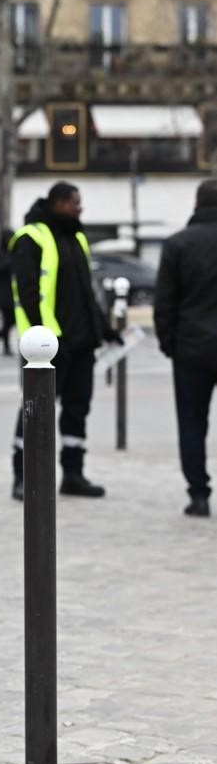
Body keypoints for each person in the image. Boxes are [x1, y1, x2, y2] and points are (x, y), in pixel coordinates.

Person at [10, 182, 121, 501]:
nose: (79, 208)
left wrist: (104, 329)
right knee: (36, 409)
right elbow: (27, 293)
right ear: (58, 202)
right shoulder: (31, 237)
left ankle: (73, 474)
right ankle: (23, 475)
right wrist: (42, 335)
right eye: (75, 202)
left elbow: (86, 291)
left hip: (81, 342)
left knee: (77, 409)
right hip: (47, 345)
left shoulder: (77, 236)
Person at [153, 178, 217, 518]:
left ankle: (198, 493)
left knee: (192, 423)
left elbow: (165, 301)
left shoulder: (179, 244)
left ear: (196, 205)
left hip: (191, 348)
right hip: (193, 344)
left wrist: (169, 344)